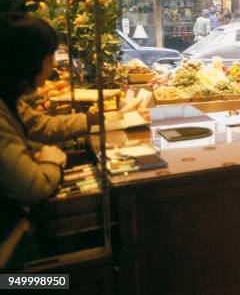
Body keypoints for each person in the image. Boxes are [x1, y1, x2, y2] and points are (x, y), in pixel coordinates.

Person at [0, 14, 149, 268]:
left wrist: (99, 119)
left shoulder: (8, 98)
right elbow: (33, 185)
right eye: (50, 58)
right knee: (48, 284)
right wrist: (53, 158)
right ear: (30, 62)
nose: (54, 67)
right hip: (9, 250)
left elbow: (41, 125)